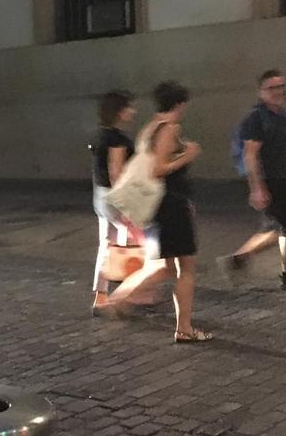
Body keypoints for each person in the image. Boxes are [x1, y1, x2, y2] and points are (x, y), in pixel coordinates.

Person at [96, 81, 209, 343]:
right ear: (180, 104)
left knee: (167, 266)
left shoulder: (150, 128)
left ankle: (120, 298)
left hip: (162, 205)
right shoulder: (170, 128)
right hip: (172, 204)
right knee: (186, 268)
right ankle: (184, 328)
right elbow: (157, 169)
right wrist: (188, 155)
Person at [217, 70, 286, 291]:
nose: (278, 92)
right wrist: (257, 188)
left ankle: (279, 271)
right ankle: (241, 260)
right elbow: (250, 154)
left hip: (282, 176)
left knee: (282, 228)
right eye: (271, 88)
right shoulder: (256, 118)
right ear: (261, 91)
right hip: (269, 179)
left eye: (281, 86)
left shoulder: (282, 114)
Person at [89, 90, 137, 315]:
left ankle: (101, 296)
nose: (132, 111)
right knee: (140, 242)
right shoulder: (117, 138)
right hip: (115, 196)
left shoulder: (100, 135)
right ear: (119, 111)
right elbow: (116, 171)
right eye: (129, 107)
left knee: (107, 245)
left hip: (100, 196)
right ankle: (130, 294)